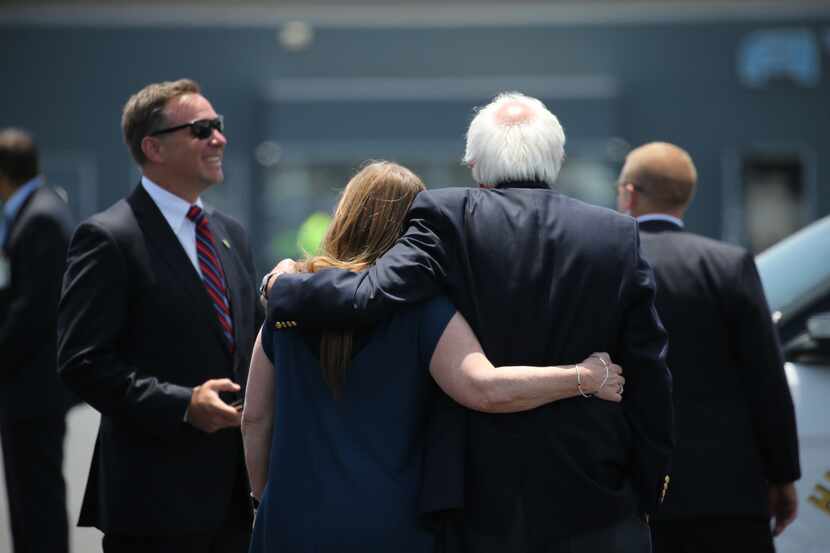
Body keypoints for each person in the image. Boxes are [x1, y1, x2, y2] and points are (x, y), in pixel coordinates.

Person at [262, 93, 674, 552]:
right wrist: (648, 485)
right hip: (596, 493)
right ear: (557, 158)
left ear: (474, 164)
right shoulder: (617, 233)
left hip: (477, 499)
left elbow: (369, 294)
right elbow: (649, 370)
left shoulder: (446, 216)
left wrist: (283, 287)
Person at [57, 79, 262, 553]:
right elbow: (81, 363)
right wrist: (183, 404)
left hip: (233, 501)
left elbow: (253, 339)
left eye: (219, 126)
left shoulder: (229, 234)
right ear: (153, 147)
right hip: (153, 501)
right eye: (202, 129)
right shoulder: (108, 238)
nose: (219, 139)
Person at [616, 142, 800, 553]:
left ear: (629, 193)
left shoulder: (608, 262)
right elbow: (765, 378)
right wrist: (783, 474)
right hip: (728, 493)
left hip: (632, 489)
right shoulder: (728, 265)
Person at [0, 128, 74, 553]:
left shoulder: (39, 217)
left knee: (35, 495)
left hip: (33, 384)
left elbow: (33, 311)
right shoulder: (40, 209)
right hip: (31, 382)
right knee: (32, 493)